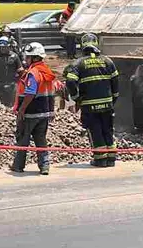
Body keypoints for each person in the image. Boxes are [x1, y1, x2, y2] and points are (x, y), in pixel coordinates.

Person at [66, 33, 120, 167]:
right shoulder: (107, 61)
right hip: (107, 104)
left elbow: (70, 81)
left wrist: (76, 98)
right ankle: (111, 158)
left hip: (89, 106)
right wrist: (113, 99)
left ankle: (100, 159)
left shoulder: (78, 63)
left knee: (95, 130)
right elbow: (116, 82)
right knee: (108, 129)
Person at [11, 42, 56, 175]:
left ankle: (18, 166)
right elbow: (52, 93)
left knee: (22, 140)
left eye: (28, 57)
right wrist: (51, 111)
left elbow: (30, 92)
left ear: (34, 58)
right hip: (44, 114)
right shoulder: (47, 72)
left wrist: (22, 110)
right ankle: (44, 166)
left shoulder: (33, 73)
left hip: (30, 114)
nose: (26, 60)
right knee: (41, 140)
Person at [0, 36, 24, 107]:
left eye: (4, 47)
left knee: (13, 104)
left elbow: (20, 70)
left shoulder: (14, 56)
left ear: (8, 47)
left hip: (12, 84)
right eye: (1, 47)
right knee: (3, 105)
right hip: (0, 84)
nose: (3, 49)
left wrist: (19, 80)